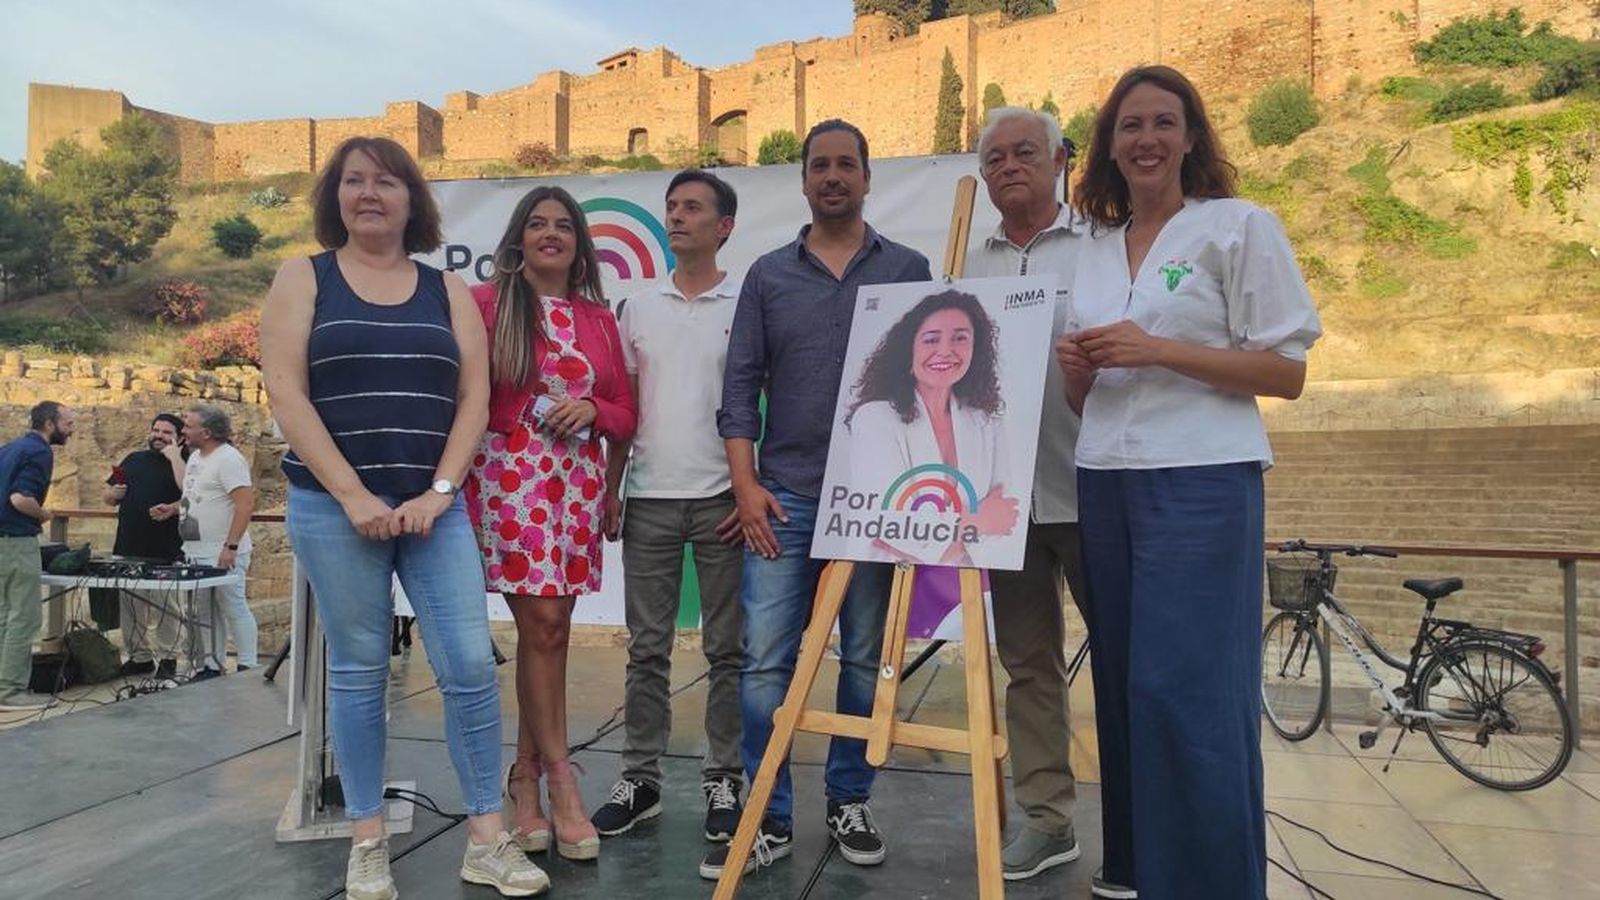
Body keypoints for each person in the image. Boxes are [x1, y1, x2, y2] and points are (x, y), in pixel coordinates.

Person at [1060, 66, 1322, 899]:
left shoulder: (1237, 227)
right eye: (1129, 126)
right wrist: (1080, 368)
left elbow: (1285, 373)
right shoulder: (1092, 251)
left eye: (1163, 123)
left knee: (1191, 690)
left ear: (1191, 138)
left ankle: (1211, 882)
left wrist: (1158, 348)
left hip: (1202, 480)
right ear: (1108, 146)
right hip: (1106, 477)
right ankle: (1137, 868)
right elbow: (1086, 396)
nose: (1145, 139)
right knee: (1126, 682)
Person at [261, 135, 547, 899]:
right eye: (354, 181)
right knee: (358, 674)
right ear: (336, 197)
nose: (369, 194)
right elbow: (286, 392)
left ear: (411, 200)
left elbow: (475, 401)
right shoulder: (304, 278)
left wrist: (441, 493)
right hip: (333, 508)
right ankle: (365, 841)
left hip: (434, 512)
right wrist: (353, 495)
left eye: (387, 182)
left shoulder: (446, 290)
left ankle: (487, 838)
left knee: (467, 667)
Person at [704, 119, 932, 881]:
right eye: (819, 166)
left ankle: (848, 798)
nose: (833, 176)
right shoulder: (768, 275)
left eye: (846, 165)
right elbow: (738, 390)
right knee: (765, 663)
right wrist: (746, 483)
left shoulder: (910, 268)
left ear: (868, 177)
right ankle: (768, 813)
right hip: (788, 498)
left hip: (877, 502)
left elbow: (936, 382)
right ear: (802, 182)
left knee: (865, 659)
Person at [467, 185, 635, 864]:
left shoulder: (598, 317)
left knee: (554, 630)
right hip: (511, 480)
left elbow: (627, 410)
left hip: (577, 487)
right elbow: (467, 395)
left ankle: (524, 778)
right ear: (518, 237)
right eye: (537, 223)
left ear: (579, 242)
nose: (551, 234)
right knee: (540, 627)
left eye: (564, 225)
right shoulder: (486, 305)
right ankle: (561, 783)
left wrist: (595, 410)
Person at [590, 170, 746, 842]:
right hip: (648, 496)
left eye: (692, 208)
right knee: (646, 650)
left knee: (728, 651)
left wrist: (751, 488)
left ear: (724, 226)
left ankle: (724, 780)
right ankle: (641, 780)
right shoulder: (635, 307)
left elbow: (757, 404)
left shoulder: (749, 303)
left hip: (723, 499)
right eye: (671, 207)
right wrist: (611, 485)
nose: (677, 217)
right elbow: (625, 408)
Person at [967, 105, 1089, 882]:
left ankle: (1148, 818)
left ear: (1057, 162)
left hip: (1092, 486)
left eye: (1024, 153)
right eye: (994, 159)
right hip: (1003, 503)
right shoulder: (965, 260)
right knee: (1028, 665)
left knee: (1127, 657)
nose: (1009, 167)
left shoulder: (1103, 245)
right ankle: (1047, 820)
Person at [840, 289, 1017, 566]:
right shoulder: (874, 417)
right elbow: (888, 527)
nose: (945, 350)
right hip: (884, 580)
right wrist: (978, 522)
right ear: (908, 350)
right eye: (931, 339)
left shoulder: (987, 421)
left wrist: (952, 537)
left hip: (963, 585)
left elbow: (1005, 518)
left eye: (960, 338)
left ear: (976, 349)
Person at [151, 405, 258, 680]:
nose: (183, 431)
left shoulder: (229, 460)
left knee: (233, 606)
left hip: (222, 551)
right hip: (196, 551)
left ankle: (248, 665)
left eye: (188, 426)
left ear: (207, 432)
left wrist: (230, 546)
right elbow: (199, 496)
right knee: (204, 611)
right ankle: (212, 665)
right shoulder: (197, 457)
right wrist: (174, 508)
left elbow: (244, 506)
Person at [0, 401, 73, 712]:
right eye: (67, 423)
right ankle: (10, 690)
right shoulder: (40, 452)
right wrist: (43, 514)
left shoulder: (9, 448)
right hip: (17, 540)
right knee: (25, 616)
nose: (72, 429)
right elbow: (20, 498)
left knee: (4, 615)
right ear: (48, 424)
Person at [104, 413, 186, 678]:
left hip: (167, 547)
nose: (159, 435)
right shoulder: (134, 459)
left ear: (179, 436)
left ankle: (168, 658)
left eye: (166, 432)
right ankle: (139, 657)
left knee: (166, 606)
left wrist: (175, 457)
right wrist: (112, 494)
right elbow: (109, 495)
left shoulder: (186, 461)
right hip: (129, 544)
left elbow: (190, 493)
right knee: (130, 605)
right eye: (156, 430)